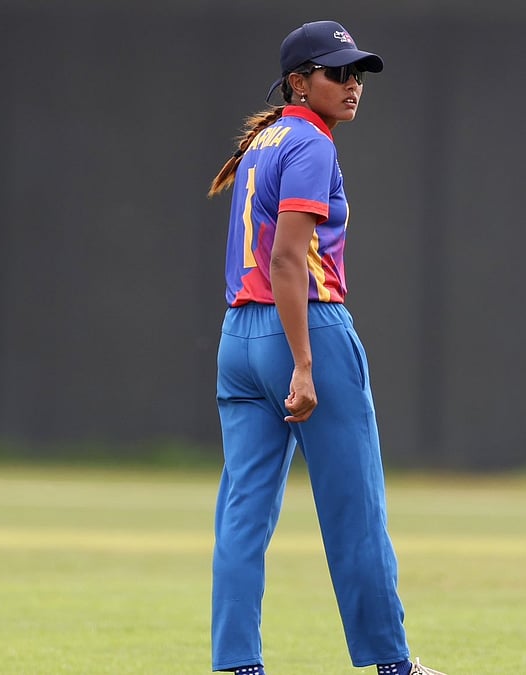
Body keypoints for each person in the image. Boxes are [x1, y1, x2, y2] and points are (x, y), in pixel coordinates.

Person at [205, 20, 447, 675]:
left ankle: (237, 664)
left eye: (357, 73)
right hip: (303, 329)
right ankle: (392, 663)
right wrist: (306, 363)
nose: (352, 84)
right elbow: (288, 259)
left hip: (239, 339)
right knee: (355, 508)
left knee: (242, 513)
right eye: (337, 72)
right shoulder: (310, 142)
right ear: (297, 82)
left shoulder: (263, 140)